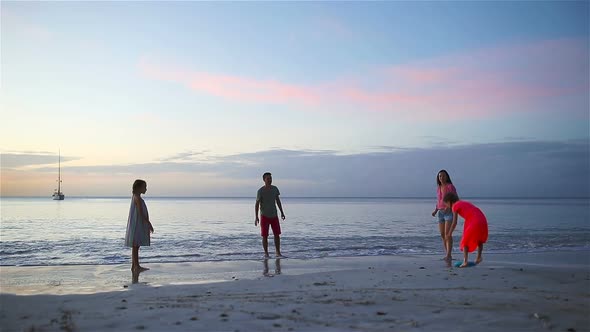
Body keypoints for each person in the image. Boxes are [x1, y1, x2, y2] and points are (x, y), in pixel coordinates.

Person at [443, 192, 488, 268]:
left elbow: (454, 222)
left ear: (449, 201)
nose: (446, 206)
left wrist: (449, 233)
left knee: (465, 241)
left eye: (446, 204)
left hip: (473, 220)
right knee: (479, 238)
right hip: (482, 218)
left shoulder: (455, 206)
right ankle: (479, 257)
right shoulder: (462, 202)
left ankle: (465, 261)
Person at [125, 179, 154, 272]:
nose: (146, 189)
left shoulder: (136, 197)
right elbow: (140, 212)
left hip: (138, 222)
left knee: (136, 246)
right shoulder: (136, 197)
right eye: (144, 187)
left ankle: (134, 265)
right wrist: (148, 223)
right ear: (139, 187)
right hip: (137, 223)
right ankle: (136, 266)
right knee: (136, 245)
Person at [255, 172, 286, 258]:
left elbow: (278, 201)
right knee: (265, 236)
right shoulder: (260, 191)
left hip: (274, 215)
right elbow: (257, 204)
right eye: (268, 178)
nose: (270, 180)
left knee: (277, 234)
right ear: (264, 180)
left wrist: (282, 212)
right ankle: (266, 253)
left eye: (270, 178)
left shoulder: (275, 189)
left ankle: (278, 252)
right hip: (264, 215)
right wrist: (256, 216)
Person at [431, 169, 457, 261]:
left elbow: (455, 199)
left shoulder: (450, 187)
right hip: (440, 213)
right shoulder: (438, 187)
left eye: (443, 176)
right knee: (442, 235)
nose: (441, 177)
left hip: (449, 213)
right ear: (438, 178)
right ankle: (447, 254)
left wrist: (449, 207)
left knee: (448, 235)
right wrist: (435, 210)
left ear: (447, 177)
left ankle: (449, 255)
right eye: (440, 176)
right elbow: (439, 201)